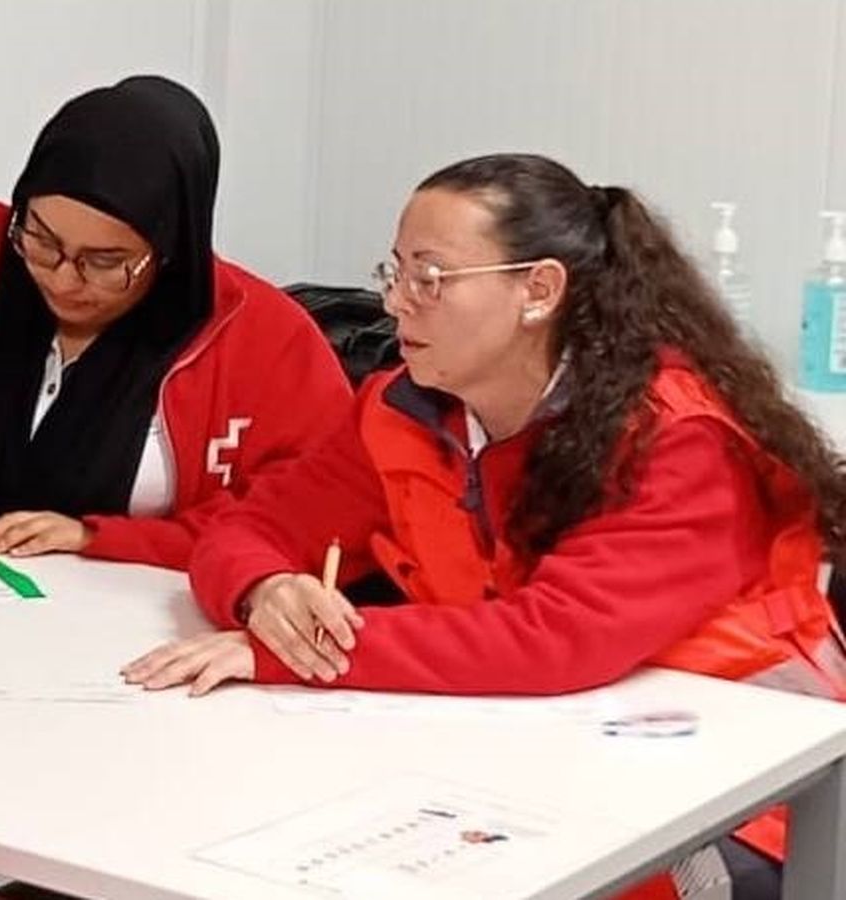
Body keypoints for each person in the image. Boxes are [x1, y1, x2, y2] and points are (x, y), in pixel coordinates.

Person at [124, 153, 846, 898]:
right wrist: (264, 591)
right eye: (394, 272)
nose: (397, 303)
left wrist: (288, 653)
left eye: (430, 278)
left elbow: (555, 639)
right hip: (526, 750)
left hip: (735, 796)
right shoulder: (404, 410)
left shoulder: (678, 436)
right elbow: (249, 528)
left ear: (538, 290)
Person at [0, 76, 351, 570]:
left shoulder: (264, 340)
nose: (63, 279)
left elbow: (312, 518)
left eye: (105, 263)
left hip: (140, 643)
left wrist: (97, 541)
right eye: (41, 239)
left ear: (171, 249)